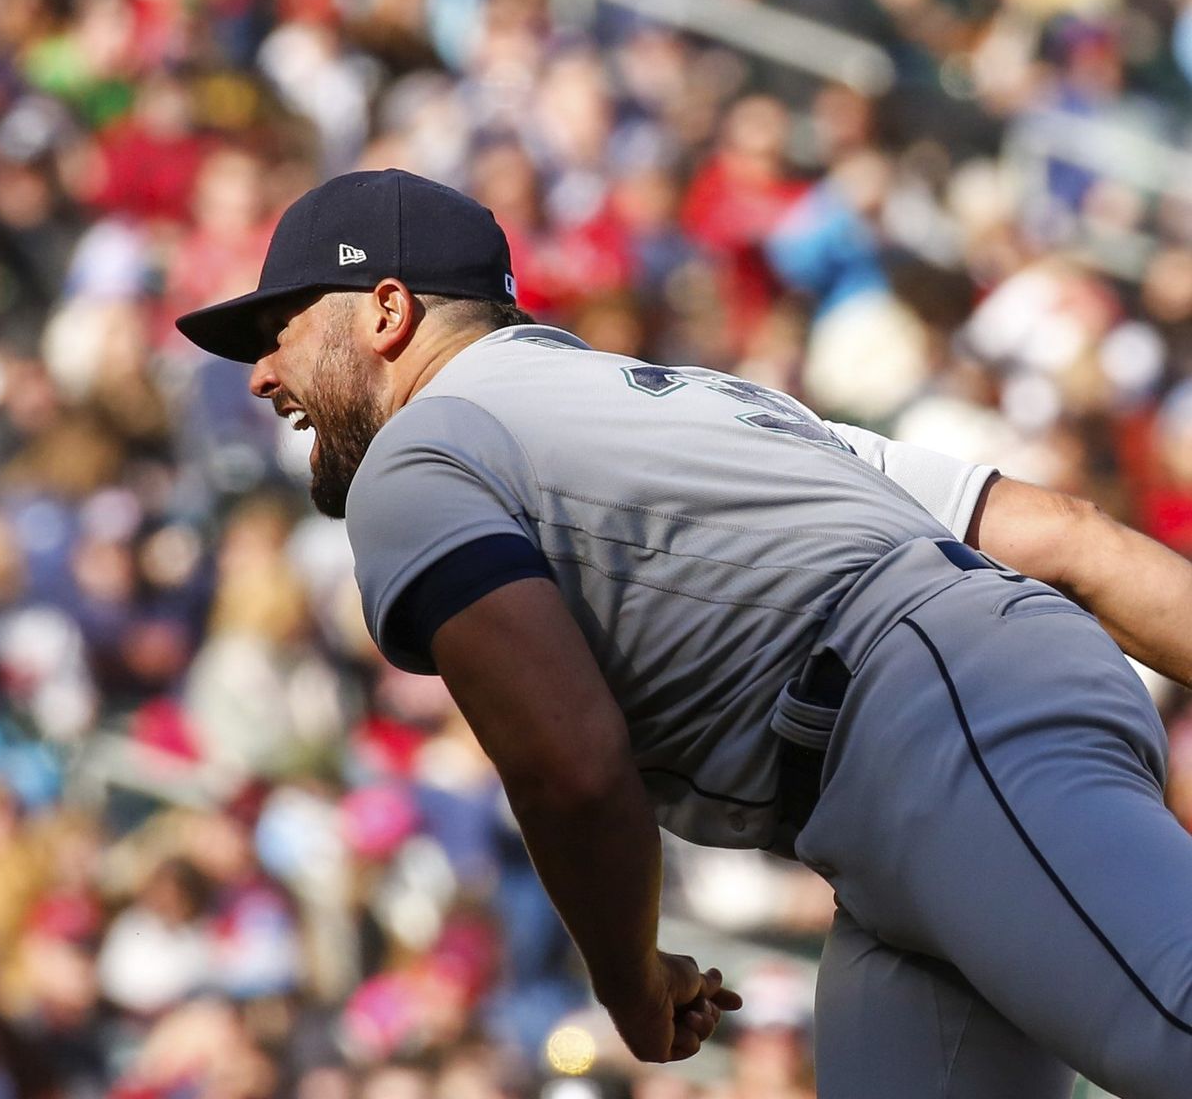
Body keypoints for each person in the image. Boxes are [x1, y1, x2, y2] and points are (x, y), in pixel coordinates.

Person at [176, 167, 1192, 1099]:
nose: (262, 373)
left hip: (932, 717)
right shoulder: (708, 400)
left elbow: (567, 759)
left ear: (388, 311)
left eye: (281, 326)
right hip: (924, 755)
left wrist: (629, 975)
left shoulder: (421, 451)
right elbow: (1068, 539)